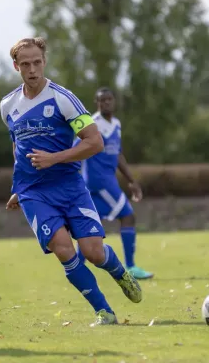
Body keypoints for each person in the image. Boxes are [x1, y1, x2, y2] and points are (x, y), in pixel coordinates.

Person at [0, 37, 142, 326]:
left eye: (37, 62)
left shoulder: (63, 98)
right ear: (16, 66)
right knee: (63, 248)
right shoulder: (8, 105)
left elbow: (95, 142)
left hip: (70, 186)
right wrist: (18, 187)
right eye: (25, 64)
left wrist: (54, 158)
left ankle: (119, 272)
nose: (32, 70)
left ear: (44, 61)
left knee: (93, 251)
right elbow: (18, 147)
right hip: (34, 192)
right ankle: (104, 311)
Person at [75, 87, 154, 280]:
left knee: (92, 228)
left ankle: (76, 269)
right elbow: (75, 149)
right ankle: (131, 266)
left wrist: (132, 181)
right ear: (97, 103)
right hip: (98, 183)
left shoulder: (116, 125)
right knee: (128, 216)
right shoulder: (92, 124)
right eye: (102, 100)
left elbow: (118, 155)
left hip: (106, 182)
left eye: (109, 99)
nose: (106, 103)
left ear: (114, 101)